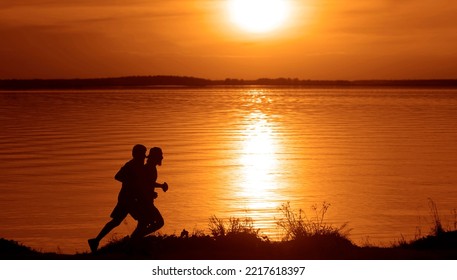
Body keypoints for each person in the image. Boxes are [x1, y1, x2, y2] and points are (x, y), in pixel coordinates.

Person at [88, 144, 147, 253]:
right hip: (127, 199)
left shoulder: (139, 165)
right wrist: (131, 181)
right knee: (142, 220)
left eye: (144, 154)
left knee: (116, 221)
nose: (144, 157)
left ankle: (95, 240)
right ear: (136, 154)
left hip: (131, 199)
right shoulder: (130, 165)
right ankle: (134, 243)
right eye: (142, 154)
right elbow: (118, 176)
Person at [130, 147, 168, 242]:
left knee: (143, 224)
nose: (162, 158)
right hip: (145, 202)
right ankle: (136, 239)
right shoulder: (149, 168)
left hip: (147, 201)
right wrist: (155, 190)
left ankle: (133, 242)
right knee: (159, 222)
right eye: (160, 156)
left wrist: (159, 187)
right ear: (156, 157)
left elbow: (149, 183)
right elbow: (145, 184)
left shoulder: (151, 167)